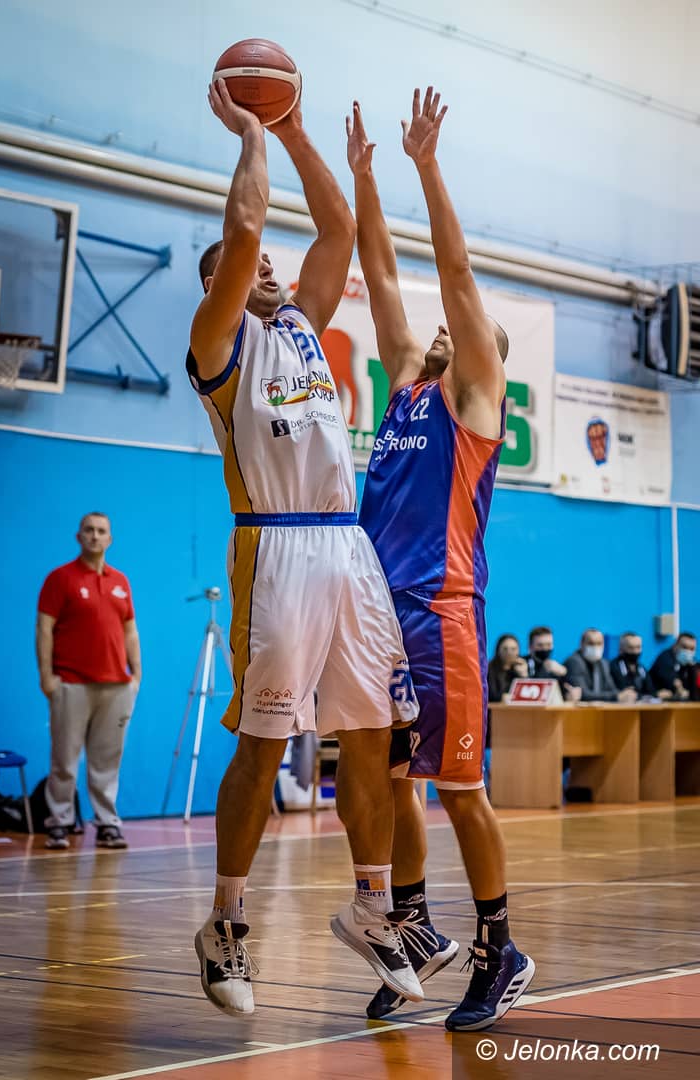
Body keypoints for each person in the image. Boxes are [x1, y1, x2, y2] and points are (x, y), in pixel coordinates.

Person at [187, 77, 422, 1019]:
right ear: (221, 287)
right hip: (276, 549)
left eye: (271, 269)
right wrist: (249, 133)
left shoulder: (301, 330)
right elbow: (245, 231)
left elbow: (339, 232)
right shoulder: (219, 344)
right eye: (250, 269)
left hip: (346, 548)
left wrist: (293, 131)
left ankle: (372, 906)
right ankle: (227, 924)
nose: (271, 270)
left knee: (370, 733)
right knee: (265, 739)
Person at [349, 87, 534, 1032]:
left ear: (481, 361)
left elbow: (452, 270)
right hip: (378, 619)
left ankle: (502, 950)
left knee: (461, 793)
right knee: (392, 788)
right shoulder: (404, 392)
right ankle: (416, 931)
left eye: (459, 333)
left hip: (442, 613)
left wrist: (426, 167)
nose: (440, 329)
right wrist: (363, 178)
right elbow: (382, 271)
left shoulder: (472, 405)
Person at [36, 512, 140, 851]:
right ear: (78, 536)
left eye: (101, 531)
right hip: (71, 683)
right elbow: (44, 629)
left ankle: (108, 824)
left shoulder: (120, 581)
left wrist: (136, 675)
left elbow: (130, 630)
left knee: (107, 760)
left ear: (110, 539)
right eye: (89, 530)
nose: (95, 536)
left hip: (116, 686)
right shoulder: (60, 579)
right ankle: (59, 823)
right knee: (64, 759)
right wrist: (47, 677)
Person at [564, 629, 638, 703]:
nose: (595, 647)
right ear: (581, 644)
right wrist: (617, 696)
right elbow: (583, 694)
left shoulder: (604, 663)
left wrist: (624, 694)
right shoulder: (574, 662)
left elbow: (612, 689)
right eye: (591, 643)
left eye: (599, 643)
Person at [525, 625, 581, 702]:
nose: (545, 649)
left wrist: (565, 676)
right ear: (530, 647)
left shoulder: (556, 669)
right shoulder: (522, 664)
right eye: (540, 645)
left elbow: (567, 694)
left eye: (548, 644)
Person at [650, 632, 698, 700]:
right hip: (656, 700)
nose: (688, 652)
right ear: (675, 645)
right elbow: (677, 684)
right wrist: (682, 691)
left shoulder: (691, 664)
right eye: (684, 647)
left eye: (692, 649)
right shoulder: (665, 658)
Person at [610, 633, 655, 698]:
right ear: (621, 649)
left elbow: (651, 691)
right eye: (631, 648)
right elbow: (624, 690)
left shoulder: (641, 668)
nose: (635, 651)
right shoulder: (614, 666)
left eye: (638, 647)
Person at [487, 635, 528, 702]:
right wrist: (500, 698)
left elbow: (527, 695)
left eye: (513, 649)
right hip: (494, 707)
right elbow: (488, 694)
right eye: (505, 649)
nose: (509, 652)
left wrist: (524, 676)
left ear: (518, 651)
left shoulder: (522, 667)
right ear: (498, 650)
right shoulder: (489, 669)